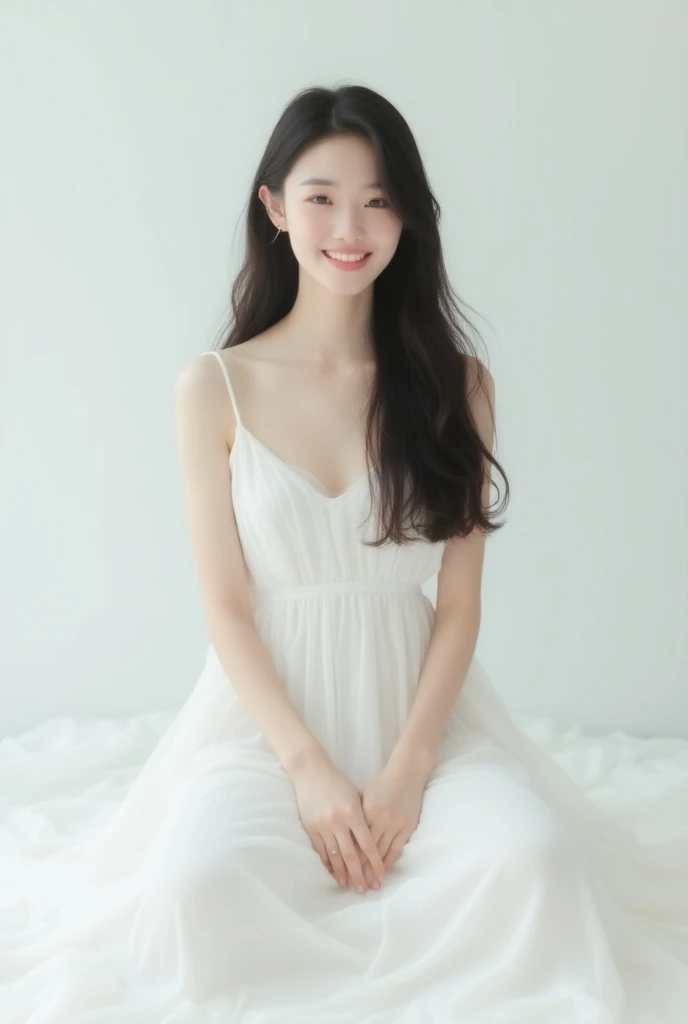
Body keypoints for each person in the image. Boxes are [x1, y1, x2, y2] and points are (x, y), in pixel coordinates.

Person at [2, 84, 687, 1024]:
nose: (350, 226)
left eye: (378, 198)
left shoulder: (459, 385)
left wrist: (409, 765)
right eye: (321, 196)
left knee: (539, 867)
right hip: (263, 735)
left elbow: (458, 607)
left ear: (407, 212)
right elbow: (228, 611)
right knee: (199, 891)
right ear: (274, 207)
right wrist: (307, 768)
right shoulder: (214, 388)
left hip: (424, 723)